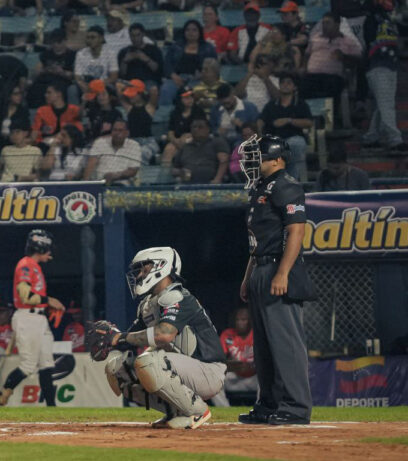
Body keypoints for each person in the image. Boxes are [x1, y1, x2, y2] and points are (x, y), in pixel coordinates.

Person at [94, 246, 226, 429]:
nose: (139, 274)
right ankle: (174, 411)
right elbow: (132, 339)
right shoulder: (148, 304)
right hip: (178, 368)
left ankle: (197, 411)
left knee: (149, 361)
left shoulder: (177, 296)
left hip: (207, 370)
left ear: (160, 266)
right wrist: (111, 338)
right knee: (117, 370)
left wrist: (120, 337)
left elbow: (163, 334)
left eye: (144, 268)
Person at [237, 134, 316, 425]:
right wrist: (248, 276)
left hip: (277, 269)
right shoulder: (261, 187)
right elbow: (256, 241)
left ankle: (295, 407)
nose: (252, 162)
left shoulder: (287, 186)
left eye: (259, 156)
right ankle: (268, 404)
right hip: (259, 266)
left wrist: (282, 272)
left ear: (278, 159)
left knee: (285, 343)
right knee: (265, 347)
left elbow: (295, 231)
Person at [0, 230, 65, 407]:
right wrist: (49, 300)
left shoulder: (34, 266)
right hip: (27, 317)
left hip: (39, 319)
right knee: (28, 365)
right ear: (40, 248)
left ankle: (51, 407)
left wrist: (46, 304)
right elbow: (24, 296)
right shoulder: (25, 264)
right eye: (47, 249)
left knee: (46, 362)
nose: (50, 253)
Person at [361, 2, 407, 152]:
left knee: (382, 105)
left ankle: (371, 137)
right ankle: (395, 139)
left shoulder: (390, 20)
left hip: (391, 66)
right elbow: (368, 40)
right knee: (386, 104)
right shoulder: (371, 19)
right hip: (377, 66)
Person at [257, 73, 313, 181]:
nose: (285, 85)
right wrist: (259, 132)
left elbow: (309, 122)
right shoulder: (271, 105)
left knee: (296, 144)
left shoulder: (300, 104)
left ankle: (292, 181)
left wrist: (289, 121)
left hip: (294, 137)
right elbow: (261, 120)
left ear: (294, 87)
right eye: (282, 83)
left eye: (288, 83)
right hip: (274, 139)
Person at [299, 13, 361, 100]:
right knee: (302, 87)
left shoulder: (348, 41)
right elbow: (307, 54)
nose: (324, 26)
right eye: (323, 23)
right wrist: (303, 67)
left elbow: (358, 60)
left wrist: (344, 56)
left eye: (328, 23)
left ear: (337, 24)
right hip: (311, 76)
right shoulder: (315, 38)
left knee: (332, 88)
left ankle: (331, 112)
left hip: (333, 77)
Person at [160, 20, 217, 106]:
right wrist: (174, 76)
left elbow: (213, 67)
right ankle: (165, 117)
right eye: (188, 30)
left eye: (194, 30)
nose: (191, 33)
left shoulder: (208, 48)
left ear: (199, 32)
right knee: (165, 90)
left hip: (198, 79)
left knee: (199, 92)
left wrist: (203, 75)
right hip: (177, 78)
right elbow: (167, 64)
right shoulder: (176, 46)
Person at [210, 306, 258, 407]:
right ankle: (224, 409)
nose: (239, 322)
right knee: (213, 380)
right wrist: (231, 365)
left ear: (250, 321)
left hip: (255, 378)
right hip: (235, 377)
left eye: (243, 320)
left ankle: (260, 408)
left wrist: (253, 366)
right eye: (237, 320)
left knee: (268, 379)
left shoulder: (258, 334)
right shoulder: (228, 334)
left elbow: (267, 360)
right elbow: (219, 359)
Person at [170, 116, 230, 184]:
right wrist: (180, 172)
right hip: (187, 184)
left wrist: (217, 179)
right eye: (194, 127)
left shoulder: (217, 142)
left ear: (208, 129)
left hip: (211, 182)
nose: (196, 129)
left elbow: (224, 162)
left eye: (200, 127)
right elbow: (174, 169)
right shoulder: (185, 147)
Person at [82, 119, 142, 186]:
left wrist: (114, 176)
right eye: (115, 130)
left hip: (122, 183)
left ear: (127, 133)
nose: (117, 133)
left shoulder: (134, 145)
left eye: (120, 130)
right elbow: (91, 163)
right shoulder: (100, 143)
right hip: (99, 183)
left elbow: (133, 171)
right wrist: (85, 184)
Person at [30, 29, 76, 108]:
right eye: (53, 42)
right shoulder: (45, 54)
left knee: (57, 90)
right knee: (35, 88)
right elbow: (36, 71)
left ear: (65, 41)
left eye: (58, 42)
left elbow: (74, 75)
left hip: (62, 80)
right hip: (45, 79)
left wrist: (62, 72)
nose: (55, 44)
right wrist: (45, 70)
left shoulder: (72, 55)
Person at [162, 87, 206, 166]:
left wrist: (188, 136)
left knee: (187, 142)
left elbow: (202, 130)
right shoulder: (175, 113)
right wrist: (174, 140)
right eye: (186, 98)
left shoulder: (198, 111)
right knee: (169, 149)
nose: (190, 99)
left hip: (194, 139)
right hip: (177, 140)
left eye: (191, 97)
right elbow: (170, 131)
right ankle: (165, 175)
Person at [210, 83, 260, 147]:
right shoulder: (216, 109)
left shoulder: (249, 107)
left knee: (238, 145)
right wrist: (217, 131)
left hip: (242, 138)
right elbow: (211, 127)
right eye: (224, 103)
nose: (226, 105)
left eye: (228, 102)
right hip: (222, 139)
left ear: (233, 95)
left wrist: (242, 125)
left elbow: (256, 129)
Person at [74, 26, 119, 96]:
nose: (89, 40)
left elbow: (113, 77)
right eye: (88, 38)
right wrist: (85, 87)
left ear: (101, 38)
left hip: (104, 84)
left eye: (93, 37)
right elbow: (78, 77)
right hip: (85, 85)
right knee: (72, 89)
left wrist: (97, 85)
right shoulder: (80, 54)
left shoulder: (110, 54)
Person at [0, 85, 30, 153]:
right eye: (16, 94)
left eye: (20, 94)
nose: (19, 96)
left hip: (14, 142)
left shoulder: (23, 111)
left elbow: (27, 129)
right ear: (9, 96)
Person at [118, 23, 164, 88]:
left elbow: (159, 71)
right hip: (130, 82)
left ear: (143, 34)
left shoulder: (154, 49)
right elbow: (122, 74)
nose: (135, 38)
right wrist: (125, 61)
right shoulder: (124, 52)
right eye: (132, 36)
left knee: (152, 88)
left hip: (148, 81)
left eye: (138, 35)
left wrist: (146, 59)